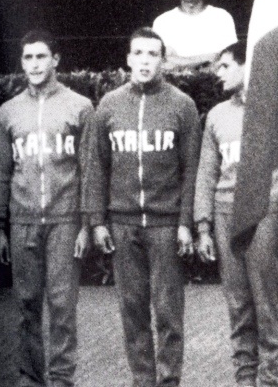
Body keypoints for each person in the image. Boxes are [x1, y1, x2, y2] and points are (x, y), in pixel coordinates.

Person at [85, 27, 201, 387]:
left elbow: (191, 170)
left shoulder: (182, 105)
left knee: (168, 311)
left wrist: (185, 222)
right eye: (139, 53)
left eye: (153, 54)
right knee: (132, 310)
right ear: (128, 59)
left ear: (162, 61)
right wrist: (97, 221)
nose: (145, 61)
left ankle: (169, 381)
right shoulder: (109, 105)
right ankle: (142, 380)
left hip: (165, 224)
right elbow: (96, 165)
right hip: (122, 223)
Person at [194, 41, 278, 387]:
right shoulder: (216, 115)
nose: (219, 74)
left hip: (264, 214)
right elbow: (207, 172)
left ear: (248, 67)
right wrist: (203, 225)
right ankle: (245, 379)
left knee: (266, 303)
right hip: (225, 215)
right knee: (237, 303)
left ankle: (269, 379)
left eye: (225, 66)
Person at [0, 30, 93, 387]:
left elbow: (88, 169)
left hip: (65, 220)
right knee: (26, 304)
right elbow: (2, 172)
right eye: (27, 58)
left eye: (40, 57)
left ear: (56, 60)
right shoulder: (8, 112)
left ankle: (62, 377)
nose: (33, 64)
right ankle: (30, 376)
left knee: (63, 305)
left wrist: (87, 222)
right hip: (22, 221)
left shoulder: (79, 106)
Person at [153, 0, 237, 71]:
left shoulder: (222, 17)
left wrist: (177, 60)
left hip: (213, 86)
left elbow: (228, 61)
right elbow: (161, 64)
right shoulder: (162, 22)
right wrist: (209, 57)